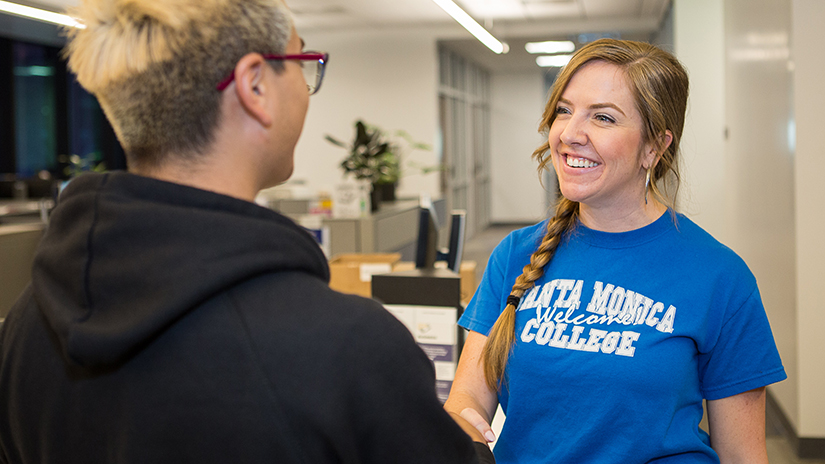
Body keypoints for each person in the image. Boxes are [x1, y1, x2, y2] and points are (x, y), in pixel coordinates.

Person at [0, 0, 494, 462]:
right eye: (302, 63)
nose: (306, 86)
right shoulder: (347, 347)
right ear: (256, 85)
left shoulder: (26, 325)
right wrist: (469, 438)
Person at [444, 39, 787, 463]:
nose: (570, 134)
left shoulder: (720, 277)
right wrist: (459, 432)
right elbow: (467, 402)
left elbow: (743, 455)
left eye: (603, 117)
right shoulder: (515, 255)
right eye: (564, 111)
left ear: (655, 147)